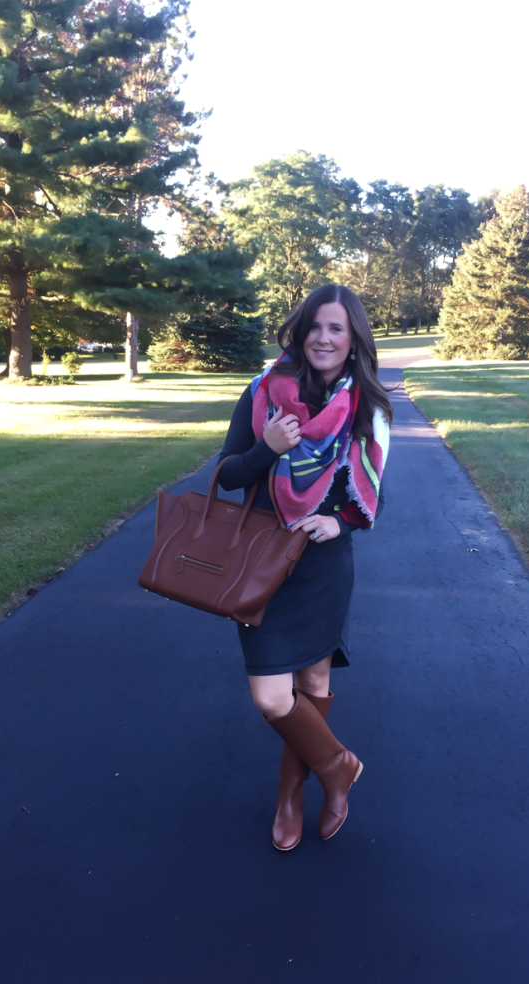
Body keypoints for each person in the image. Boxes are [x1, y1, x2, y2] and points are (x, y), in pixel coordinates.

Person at [217, 283, 392, 851]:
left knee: (313, 683)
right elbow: (228, 476)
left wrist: (339, 521)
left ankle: (290, 796)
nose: (323, 337)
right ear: (300, 331)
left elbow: (372, 496)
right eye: (315, 326)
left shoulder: (366, 405)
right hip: (263, 558)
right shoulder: (264, 391)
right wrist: (266, 447)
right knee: (272, 697)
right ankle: (337, 766)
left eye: (336, 328)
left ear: (353, 339)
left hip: (321, 563)